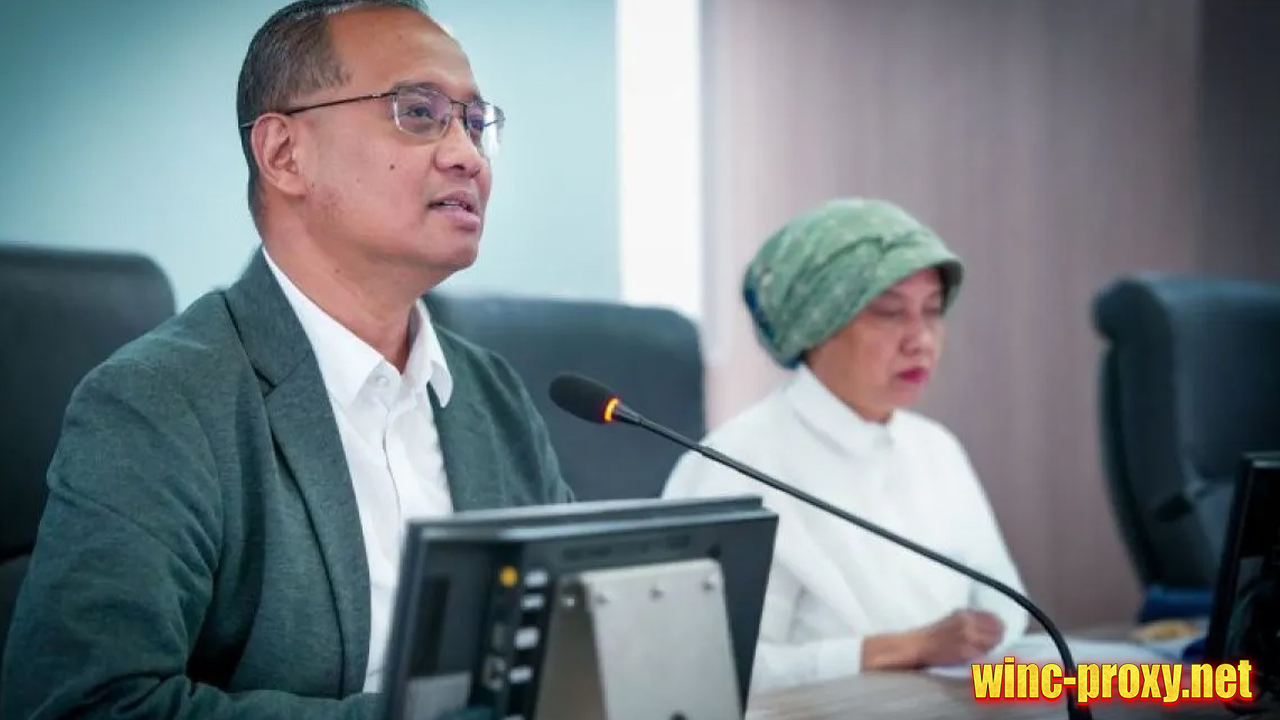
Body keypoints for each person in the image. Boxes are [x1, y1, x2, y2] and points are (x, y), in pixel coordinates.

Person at [0, 2, 572, 719]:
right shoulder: (157, 402)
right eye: (419, 114)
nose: (468, 156)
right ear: (283, 154)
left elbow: (563, 644)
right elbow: (83, 705)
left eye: (476, 122)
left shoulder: (492, 395)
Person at [662, 197, 1028, 691]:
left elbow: (1004, 608)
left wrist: (984, 640)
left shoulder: (936, 447)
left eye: (932, 311)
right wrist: (900, 649)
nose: (921, 340)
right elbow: (703, 670)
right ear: (816, 325)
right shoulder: (735, 465)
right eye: (890, 313)